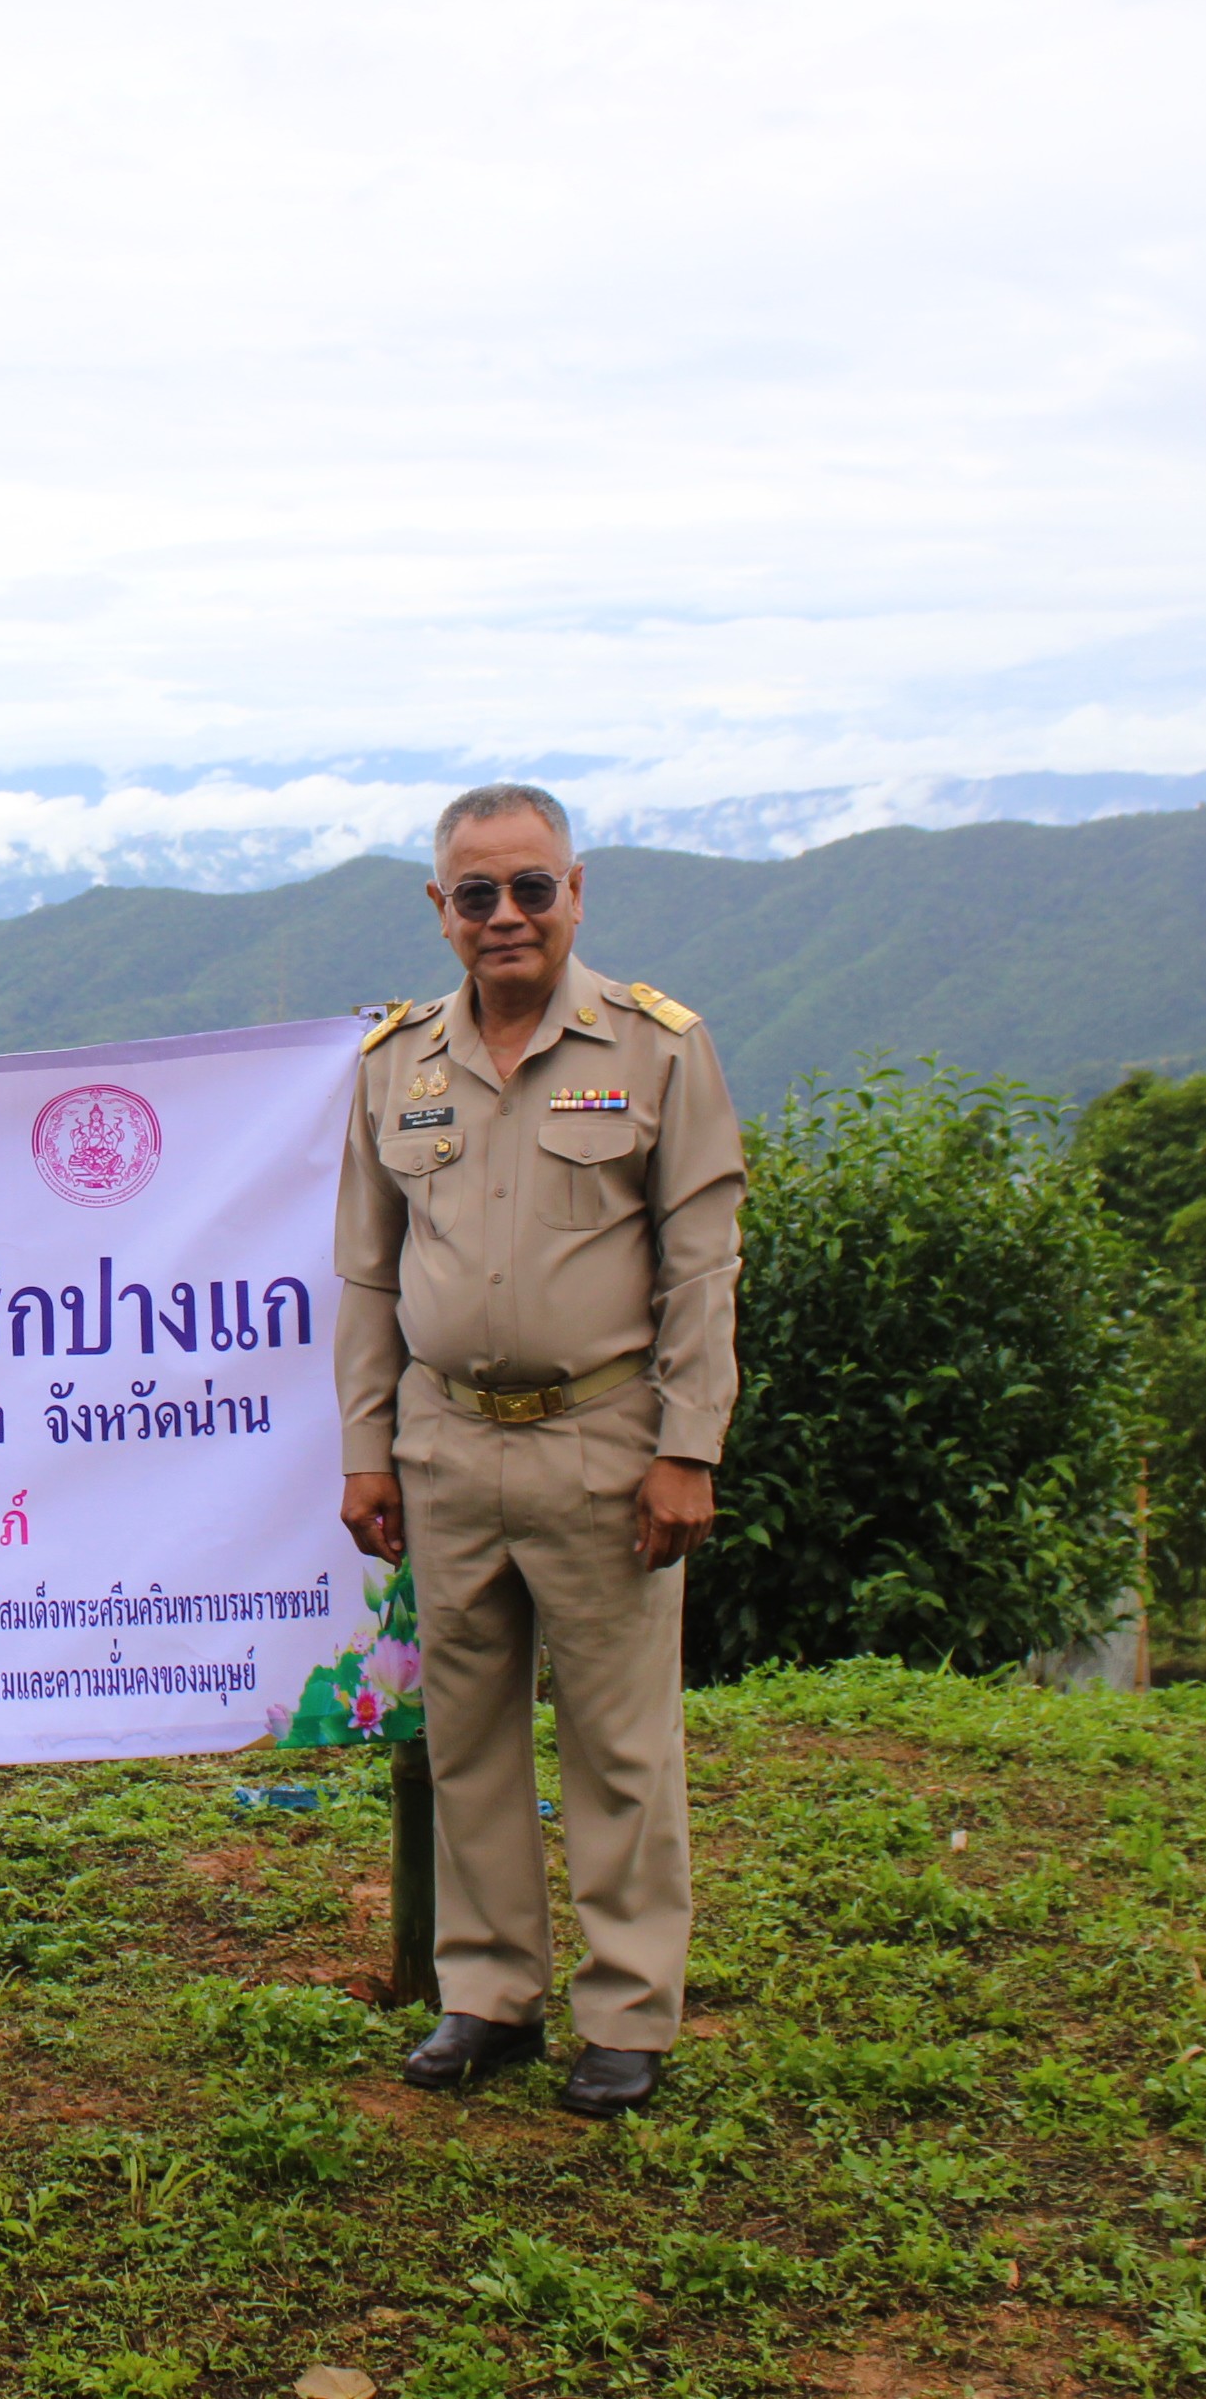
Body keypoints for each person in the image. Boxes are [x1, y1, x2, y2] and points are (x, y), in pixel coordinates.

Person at [335, 780, 745, 2116]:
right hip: (448, 1446)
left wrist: (689, 1448)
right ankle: (488, 1996)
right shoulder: (396, 1067)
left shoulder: (659, 1050)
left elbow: (701, 1265)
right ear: (440, 911)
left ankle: (628, 2010)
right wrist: (368, 1452)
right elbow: (369, 1280)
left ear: (578, 891)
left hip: (605, 1444)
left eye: (531, 889)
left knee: (623, 1744)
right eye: (477, 894)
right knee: (469, 1738)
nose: (506, 916)